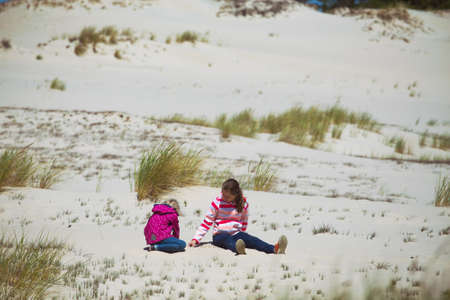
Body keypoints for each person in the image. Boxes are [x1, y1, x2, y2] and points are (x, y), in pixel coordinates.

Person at [188, 178, 287, 255]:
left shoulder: (243, 203)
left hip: (236, 233)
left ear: (235, 195)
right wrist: (195, 239)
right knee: (228, 241)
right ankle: (238, 249)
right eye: (223, 194)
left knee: (253, 240)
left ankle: (274, 249)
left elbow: (244, 219)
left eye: (227, 196)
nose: (224, 197)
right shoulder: (217, 203)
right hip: (219, 235)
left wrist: (243, 232)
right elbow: (207, 222)